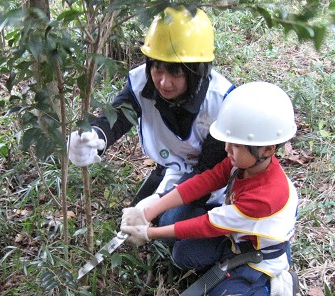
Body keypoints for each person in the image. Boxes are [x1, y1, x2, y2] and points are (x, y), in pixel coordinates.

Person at [120, 81, 299, 296]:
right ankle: (229, 267)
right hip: (236, 237)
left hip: (260, 255)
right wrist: (148, 211)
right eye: (227, 142)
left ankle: (271, 286)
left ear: (267, 149)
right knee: (182, 254)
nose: (227, 149)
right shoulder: (242, 163)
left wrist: (149, 233)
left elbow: (208, 225)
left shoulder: (264, 198)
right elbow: (204, 182)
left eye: (235, 145)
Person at [68, 6, 235, 233]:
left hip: (210, 184)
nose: (164, 82)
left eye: (176, 72)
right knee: (136, 218)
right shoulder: (141, 82)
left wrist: (157, 202)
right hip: (173, 168)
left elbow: (209, 175)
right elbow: (118, 116)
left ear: (197, 71)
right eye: (158, 68)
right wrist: (95, 136)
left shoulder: (220, 103)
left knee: (167, 223)